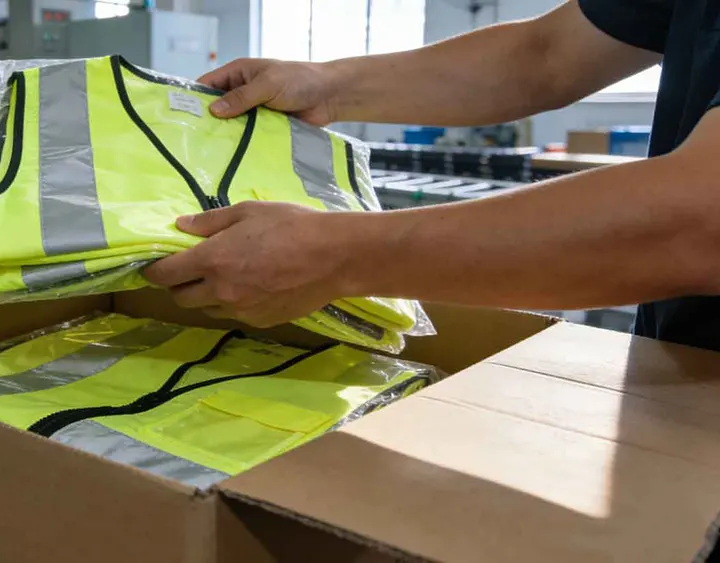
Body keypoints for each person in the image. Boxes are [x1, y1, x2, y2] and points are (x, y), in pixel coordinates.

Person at [142, 0, 720, 352]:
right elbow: (545, 55)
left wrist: (336, 254)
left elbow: (702, 219)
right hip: (681, 362)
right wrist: (328, 85)